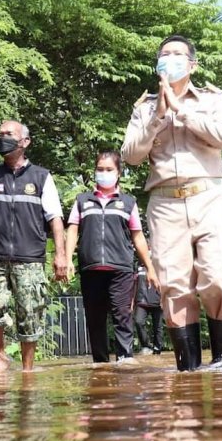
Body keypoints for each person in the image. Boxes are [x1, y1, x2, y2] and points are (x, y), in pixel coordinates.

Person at [121, 34, 222, 371]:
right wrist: (159, 115)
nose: (170, 59)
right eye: (164, 54)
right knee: (173, 285)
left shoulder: (212, 99)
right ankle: (187, 368)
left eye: (177, 54)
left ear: (192, 64)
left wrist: (180, 110)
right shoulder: (144, 107)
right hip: (165, 201)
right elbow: (131, 155)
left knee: (216, 275)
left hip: (209, 195)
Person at [0, 120, 68, 373]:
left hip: (30, 258)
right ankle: (1, 355)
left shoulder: (41, 177)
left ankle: (28, 372)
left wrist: (61, 256)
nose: (3, 138)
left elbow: (55, 218)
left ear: (25, 142)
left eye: (9, 134)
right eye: (0, 134)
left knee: (30, 315)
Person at [65, 151, 159, 363]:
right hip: (91, 268)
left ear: (118, 173)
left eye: (109, 170)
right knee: (94, 318)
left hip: (122, 270)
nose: (104, 173)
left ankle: (125, 358)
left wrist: (150, 268)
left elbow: (138, 237)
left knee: (122, 315)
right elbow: (72, 230)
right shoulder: (82, 201)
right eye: (100, 169)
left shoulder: (128, 202)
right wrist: (68, 258)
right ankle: (100, 363)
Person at [134, 261, 165, 355]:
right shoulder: (138, 265)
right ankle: (146, 345)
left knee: (158, 327)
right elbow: (135, 283)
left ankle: (157, 348)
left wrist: (164, 299)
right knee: (138, 321)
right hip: (141, 300)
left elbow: (164, 283)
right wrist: (132, 302)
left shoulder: (159, 264)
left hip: (157, 300)